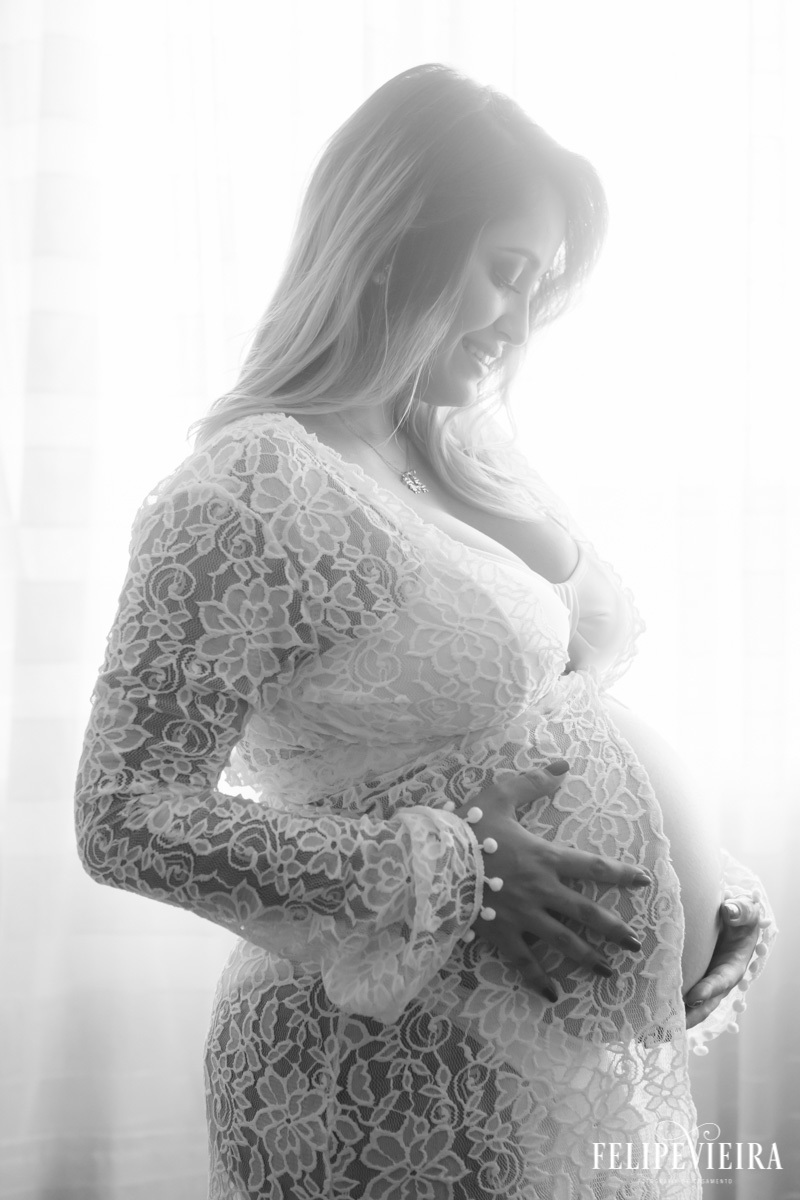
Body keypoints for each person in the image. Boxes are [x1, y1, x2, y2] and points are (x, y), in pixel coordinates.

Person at [74, 64, 776, 1199]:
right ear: (399, 232)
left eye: (542, 287)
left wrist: (698, 904)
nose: (522, 316)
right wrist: (451, 869)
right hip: (387, 1064)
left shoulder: (457, 451)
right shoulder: (250, 485)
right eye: (507, 271)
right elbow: (123, 818)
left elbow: (557, 715)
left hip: (556, 1060)